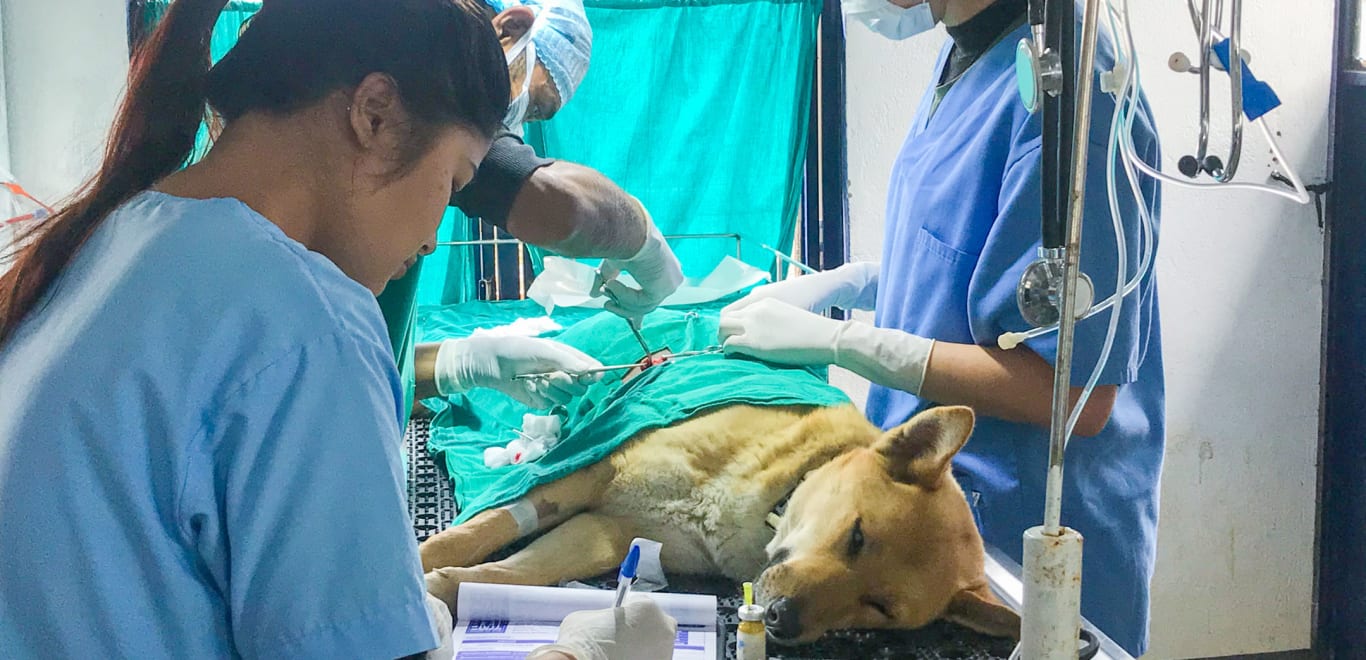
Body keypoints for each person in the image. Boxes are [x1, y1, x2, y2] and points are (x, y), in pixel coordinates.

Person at [0, 0, 674, 657]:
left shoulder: (115, 235)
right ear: (373, 114)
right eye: (451, 183)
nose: (436, 240)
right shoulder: (307, 319)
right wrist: (579, 652)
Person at [717, 0, 1163, 654]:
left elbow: (1078, 396)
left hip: (1015, 535)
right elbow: (960, 259)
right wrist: (857, 283)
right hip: (907, 533)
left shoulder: (1069, 101)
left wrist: (843, 343)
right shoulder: (978, 51)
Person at [378, 0, 684, 417]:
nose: (430, 244)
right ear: (511, 29)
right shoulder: (433, 98)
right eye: (535, 105)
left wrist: (460, 364)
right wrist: (648, 249)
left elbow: (356, 360)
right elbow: (564, 208)